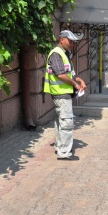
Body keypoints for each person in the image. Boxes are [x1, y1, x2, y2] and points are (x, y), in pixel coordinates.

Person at [44, 30, 86, 161]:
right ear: (61, 39)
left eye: (73, 42)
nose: (72, 44)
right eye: (70, 41)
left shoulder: (65, 54)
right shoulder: (56, 54)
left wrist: (79, 80)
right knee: (66, 122)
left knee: (60, 122)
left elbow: (69, 73)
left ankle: (60, 146)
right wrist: (74, 84)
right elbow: (61, 75)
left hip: (63, 94)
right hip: (60, 94)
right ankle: (64, 152)